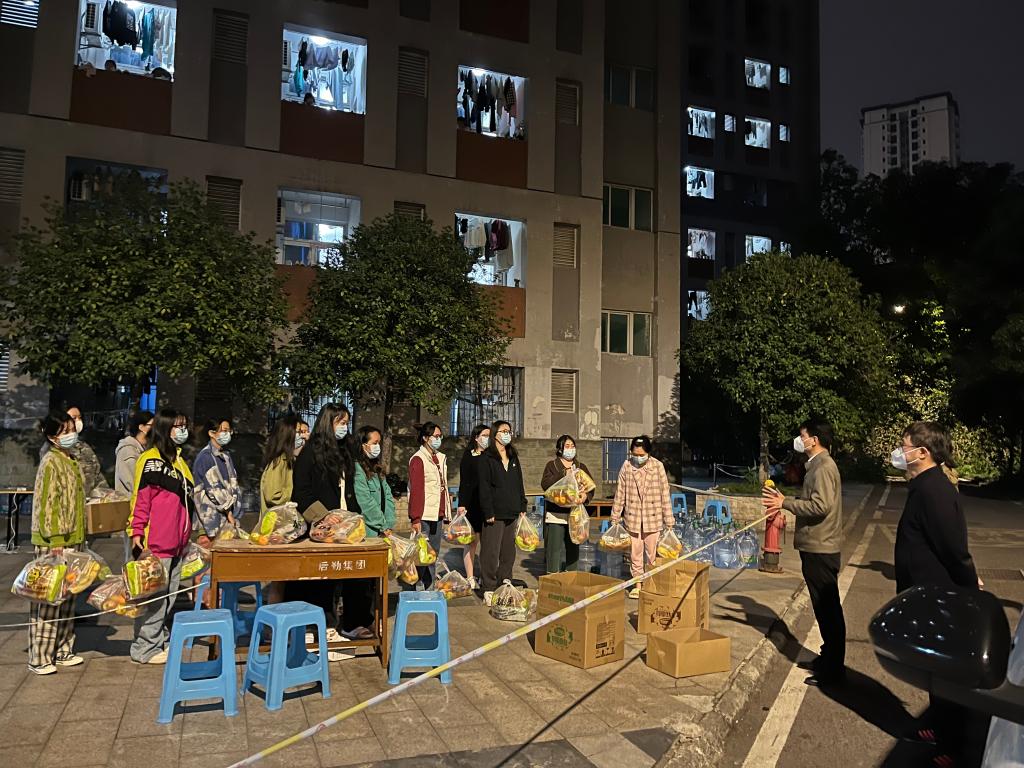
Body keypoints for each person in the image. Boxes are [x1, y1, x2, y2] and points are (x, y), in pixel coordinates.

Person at [893, 421, 980, 765]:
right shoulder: (923, 487)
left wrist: (969, 586)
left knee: (944, 674)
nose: (899, 452)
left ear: (922, 452)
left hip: (938, 596)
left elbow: (954, 549)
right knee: (933, 670)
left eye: (904, 446)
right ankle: (939, 728)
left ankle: (953, 746)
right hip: (923, 594)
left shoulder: (935, 491)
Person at [762, 418, 846, 687]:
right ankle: (827, 658)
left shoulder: (823, 467)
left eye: (803, 436)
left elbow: (820, 506)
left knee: (828, 609)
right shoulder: (817, 466)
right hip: (816, 544)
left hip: (821, 546)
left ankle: (833, 670)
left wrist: (785, 503)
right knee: (823, 608)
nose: (800, 440)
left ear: (814, 440)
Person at [291, 403, 368, 648]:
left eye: (347, 422)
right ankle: (318, 625)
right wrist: (323, 516)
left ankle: (352, 623)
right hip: (323, 527)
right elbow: (301, 492)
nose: (345, 427)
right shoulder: (311, 452)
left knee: (355, 575)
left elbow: (348, 489)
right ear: (328, 423)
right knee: (321, 578)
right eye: (340, 423)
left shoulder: (346, 451)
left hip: (346, 525)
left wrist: (355, 516)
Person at [128, 409, 194, 664]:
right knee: (154, 599)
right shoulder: (150, 460)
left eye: (184, 426)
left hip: (177, 543)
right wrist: (137, 531)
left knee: (169, 596)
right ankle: (145, 648)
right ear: (165, 429)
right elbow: (141, 499)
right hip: (156, 542)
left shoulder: (179, 461)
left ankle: (158, 639)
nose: (182, 431)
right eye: (177, 426)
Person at [27, 410, 87, 675]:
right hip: (54, 541)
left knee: (68, 598)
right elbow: (48, 505)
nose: (71, 434)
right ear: (52, 437)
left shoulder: (71, 459)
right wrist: (55, 542)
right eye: (65, 431)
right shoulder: (51, 461)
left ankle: (63, 649)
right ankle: (40, 656)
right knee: (48, 599)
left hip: (74, 538)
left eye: (71, 428)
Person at [611, 435, 673, 599]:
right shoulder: (627, 466)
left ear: (648, 453)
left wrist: (669, 519)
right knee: (635, 554)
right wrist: (615, 516)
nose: (638, 458)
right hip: (633, 517)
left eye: (641, 455)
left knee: (652, 554)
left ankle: (651, 584)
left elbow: (665, 494)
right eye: (635, 454)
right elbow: (620, 493)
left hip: (653, 517)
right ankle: (637, 584)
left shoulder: (658, 466)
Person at [478, 421, 528, 595]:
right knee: (490, 551)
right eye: (504, 431)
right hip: (494, 513)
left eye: (509, 431)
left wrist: (522, 504)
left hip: (512, 511)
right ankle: (489, 586)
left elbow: (519, 482)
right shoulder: (487, 458)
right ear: (495, 434)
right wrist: (488, 511)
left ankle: (505, 580)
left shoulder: (513, 457)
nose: (507, 434)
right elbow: (484, 487)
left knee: (508, 551)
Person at [541, 435, 595, 573]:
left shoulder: (581, 467)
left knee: (573, 547)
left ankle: (571, 575)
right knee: (554, 549)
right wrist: (564, 473)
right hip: (556, 514)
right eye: (567, 446)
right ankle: (552, 577)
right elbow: (546, 485)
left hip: (575, 514)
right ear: (560, 449)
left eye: (572, 446)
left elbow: (590, 487)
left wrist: (585, 496)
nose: (570, 449)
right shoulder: (552, 465)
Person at [407, 422, 451, 589]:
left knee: (433, 553)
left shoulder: (440, 457)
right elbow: (416, 490)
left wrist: (446, 512)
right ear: (426, 438)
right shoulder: (418, 459)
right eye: (435, 436)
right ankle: (419, 584)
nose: (439, 439)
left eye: (440, 436)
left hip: (437, 513)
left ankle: (430, 584)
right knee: (422, 553)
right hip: (424, 514)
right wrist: (415, 518)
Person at [41, 406, 109, 496]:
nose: (78, 421)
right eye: (74, 418)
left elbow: (98, 476)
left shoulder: (84, 447)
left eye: (79, 417)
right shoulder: (50, 454)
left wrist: (104, 496)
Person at [192, 417, 240, 539]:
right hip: (210, 521)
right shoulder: (205, 457)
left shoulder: (225, 456)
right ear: (212, 433)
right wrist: (229, 514)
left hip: (225, 519)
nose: (228, 434)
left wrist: (235, 511)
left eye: (229, 431)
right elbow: (214, 490)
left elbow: (233, 483)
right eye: (224, 431)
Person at [457, 424, 490, 588]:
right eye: (484, 435)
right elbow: (465, 482)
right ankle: (470, 577)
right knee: (472, 542)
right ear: (476, 438)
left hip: (488, 506)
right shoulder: (469, 456)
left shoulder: (492, 455)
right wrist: (462, 504)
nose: (487, 439)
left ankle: (486, 576)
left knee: (488, 544)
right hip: (473, 505)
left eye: (489, 435)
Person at [353, 426, 396, 538]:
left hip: (383, 530)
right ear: (363, 445)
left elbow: (387, 495)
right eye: (375, 443)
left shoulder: (376, 467)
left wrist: (389, 523)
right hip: (368, 530)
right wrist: (382, 525)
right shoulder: (358, 468)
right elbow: (365, 501)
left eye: (379, 443)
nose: (378, 447)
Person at [115, 410, 154, 496]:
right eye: (152, 425)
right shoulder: (128, 450)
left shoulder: (147, 449)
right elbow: (133, 482)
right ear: (141, 427)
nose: (155, 429)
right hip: (132, 501)